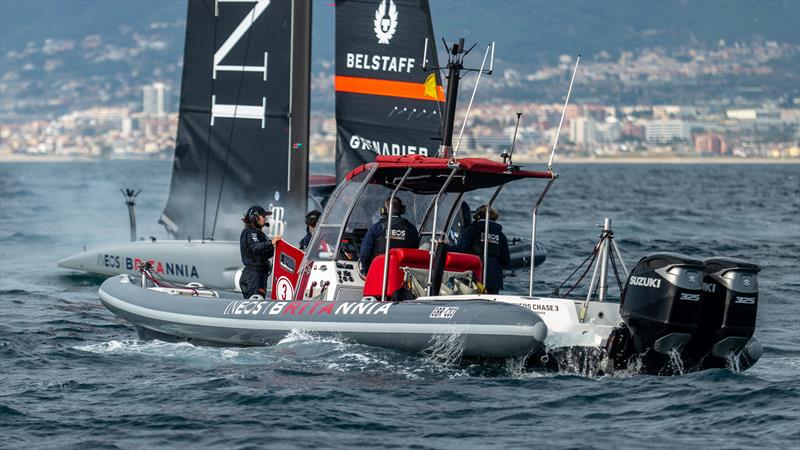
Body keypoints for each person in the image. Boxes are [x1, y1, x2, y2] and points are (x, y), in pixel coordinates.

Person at [452, 205, 510, 294]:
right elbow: (506, 260)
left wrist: (443, 247)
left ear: (477, 216)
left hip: (475, 275)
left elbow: (461, 250)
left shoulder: (472, 230)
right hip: (494, 279)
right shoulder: (501, 235)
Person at [359, 196, 420, 276]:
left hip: (380, 273)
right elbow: (416, 252)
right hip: (404, 276)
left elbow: (365, 254)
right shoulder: (411, 229)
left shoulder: (376, 228)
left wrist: (367, 272)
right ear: (402, 209)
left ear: (384, 210)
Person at [239, 205, 281, 298]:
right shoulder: (251, 232)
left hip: (256, 276)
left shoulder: (255, 232)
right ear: (255, 217)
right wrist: (271, 242)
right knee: (255, 307)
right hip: (254, 277)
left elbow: (264, 252)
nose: (266, 219)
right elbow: (255, 247)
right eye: (263, 216)